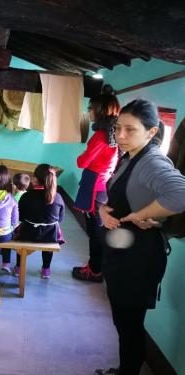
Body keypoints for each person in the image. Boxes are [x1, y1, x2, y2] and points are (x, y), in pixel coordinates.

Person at [95, 99, 185, 375]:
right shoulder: (130, 156)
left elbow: (180, 194)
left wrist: (139, 215)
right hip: (123, 255)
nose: (120, 136)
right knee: (124, 323)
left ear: (151, 131)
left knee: (129, 325)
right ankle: (125, 369)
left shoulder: (152, 161)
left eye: (130, 130)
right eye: (118, 128)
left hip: (138, 261)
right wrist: (102, 211)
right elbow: (111, 193)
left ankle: (128, 372)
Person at [73, 94, 121, 283]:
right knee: (96, 231)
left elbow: (82, 162)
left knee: (95, 233)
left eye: (91, 107)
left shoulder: (101, 136)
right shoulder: (111, 133)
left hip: (94, 187)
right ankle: (95, 267)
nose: (88, 111)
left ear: (101, 111)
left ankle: (94, 271)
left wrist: (83, 156)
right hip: (101, 185)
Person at [14, 164, 65, 278]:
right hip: (50, 235)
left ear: (36, 179)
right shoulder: (57, 196)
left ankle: (18, 268)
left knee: (20, 235)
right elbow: (60, 219)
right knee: (50, 233)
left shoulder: (26, 196)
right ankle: (46, 270)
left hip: (28, 233)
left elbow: (21, 218)